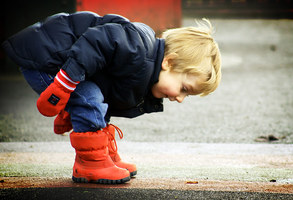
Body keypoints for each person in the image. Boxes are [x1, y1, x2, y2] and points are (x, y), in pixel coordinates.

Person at [2, 11, 221, 184]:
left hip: (63, 62)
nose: (180, 98)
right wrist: (64, 85)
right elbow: (94, 43)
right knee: (89, 97)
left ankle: (100, 154)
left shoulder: (144, 64)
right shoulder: (137, 48)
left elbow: (107, 92)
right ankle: (90, 162)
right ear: (169, 62)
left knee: (97, 97)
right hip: (47, 60)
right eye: (184, 88)